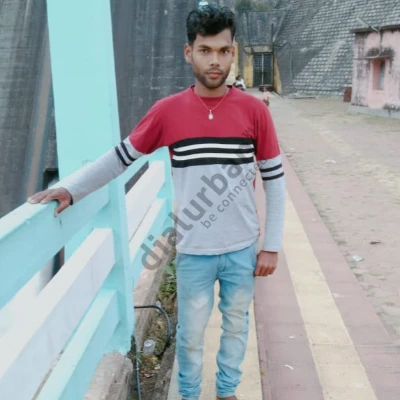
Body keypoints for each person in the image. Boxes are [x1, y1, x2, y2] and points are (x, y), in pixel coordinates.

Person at [28, 5, 285, 400]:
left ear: (233, 53)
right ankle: (189, 394)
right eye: (205, 51)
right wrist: (72, 188)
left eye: (223, 51)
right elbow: (120, 158)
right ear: (189, 52)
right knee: (191, 333)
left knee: (236, 325)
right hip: (194, 251)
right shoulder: (168, 112)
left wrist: (271, 245)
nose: (214, 61)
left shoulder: (254, 111)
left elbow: (275, 180)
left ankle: (227, 391)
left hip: (241, 248)